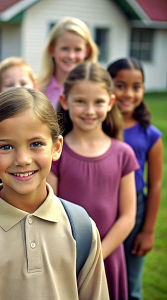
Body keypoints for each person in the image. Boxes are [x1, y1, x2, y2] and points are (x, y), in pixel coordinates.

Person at [0, 87, 110, 300]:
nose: (22, 159)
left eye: (36, 144)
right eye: (6, 146)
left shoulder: (82, 229)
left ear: (56, 147)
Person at [47, 62, 139, 300]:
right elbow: (51, 209)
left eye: (98, 102)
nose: (89, 110)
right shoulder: (57, 152)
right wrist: (73, 257)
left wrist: (98, 254)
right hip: (66, 258)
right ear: (65, 101)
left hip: (109, 257)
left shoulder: (123, 153)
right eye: (80, 101)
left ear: (110, 103)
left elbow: (128, 216)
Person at [107, 58, 163, 300]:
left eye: (136, 86)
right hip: (101, 206)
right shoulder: (98, 127)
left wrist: (148, 230)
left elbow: (156, 184)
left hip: (136, 210)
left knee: (130, 284)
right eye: (120, 85)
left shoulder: (150, 135)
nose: (128, 93)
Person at [37, 16, 99, 109]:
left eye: (77, 49)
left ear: (87, 51)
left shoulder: (98, 89)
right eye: (65, 49)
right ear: (52, 49)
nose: (71, 56)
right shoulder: (38, 90)